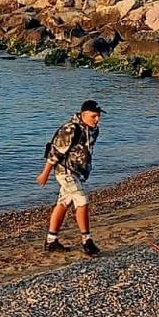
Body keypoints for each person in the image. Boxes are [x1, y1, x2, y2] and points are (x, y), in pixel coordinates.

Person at [37, 100, 103, 256]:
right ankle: (87, 241)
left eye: (98, 116)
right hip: (65, 172)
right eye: (94, 116)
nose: (97, 120)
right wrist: (45, 173)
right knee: (82, 200)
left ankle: (51, 241)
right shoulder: (70, 129)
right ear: (83, 115)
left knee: (63, 203)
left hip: (78, 173)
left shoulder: (93, 130)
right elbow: (54, 152)